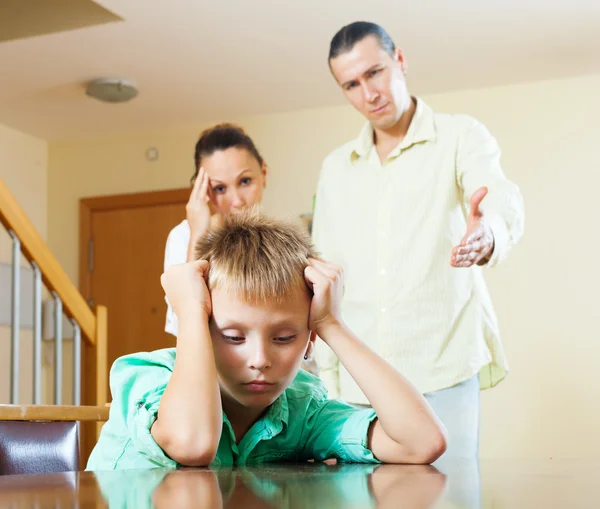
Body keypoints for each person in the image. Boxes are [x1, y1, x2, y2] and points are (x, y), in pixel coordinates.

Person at [86, 211, 446, 470]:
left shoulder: (301, 410)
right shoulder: (148, 376)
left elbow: (421, 442)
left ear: (309, 340)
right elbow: (193, 444)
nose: (259, 358)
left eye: (285, 337)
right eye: (232, 336)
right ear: (204, 333)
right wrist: (190, 313)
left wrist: (331, 325)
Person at [312, 21, 525, 459]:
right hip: (358, 385)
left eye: (375, 73)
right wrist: (329, 384)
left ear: (400, 61)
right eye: (351, 84)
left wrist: (488, 232)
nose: (368, 93)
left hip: (442, 369)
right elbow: (324, 272)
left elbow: (499, 194)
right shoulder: (335, 168)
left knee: (453, 495)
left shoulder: (461, 136)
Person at [163, 123, 267, 338]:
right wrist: (199, 234)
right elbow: (183, 322)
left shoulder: (281, 238)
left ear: (264, 174)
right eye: (220, 188)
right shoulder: (184, 236)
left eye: (245, 181)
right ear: (203, 191)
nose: (237, 201)